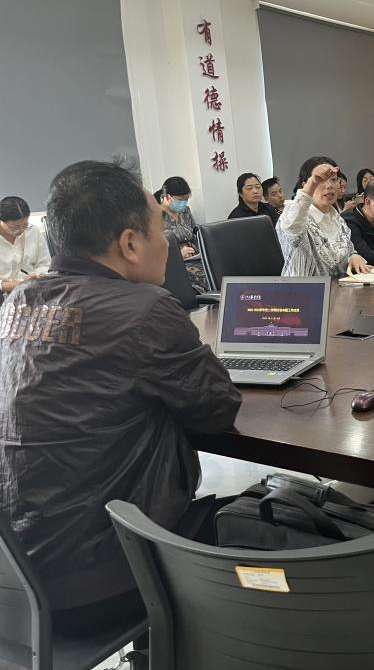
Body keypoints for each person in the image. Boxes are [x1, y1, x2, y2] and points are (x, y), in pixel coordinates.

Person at [0, 159, 242, 635]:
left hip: (17, 587)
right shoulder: (144, 308)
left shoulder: (17, 303)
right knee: (265, 514)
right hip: (105, 581)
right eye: (160, 231)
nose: (167, 244)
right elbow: (217, 410)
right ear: (130, 243)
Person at [278, 156, 372, 277]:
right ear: (306, 185)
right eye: (320, 180)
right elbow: (291, 227)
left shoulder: (337, 219)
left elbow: (348, 250)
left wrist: (353, 256)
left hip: (338, 286)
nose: (329, 186)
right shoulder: (295, 216)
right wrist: (312, 182)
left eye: (333, 180)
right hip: (303, 288)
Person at [156, 176, 208, 293]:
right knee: (200, 279)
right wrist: (178, 254)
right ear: (168, 197)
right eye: (180, 200)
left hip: (195, 258)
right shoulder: (155, 215)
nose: (183, 203)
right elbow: (155, 249)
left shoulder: (185, 211)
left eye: (186, 199)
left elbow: (196, 234)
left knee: (216, 271)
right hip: (174, 263)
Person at [0, 196, 51, 295]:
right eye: (16, 227)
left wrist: (38, 275)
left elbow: (45, 264)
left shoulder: (33, 231)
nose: (21, 230)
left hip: (34, 291)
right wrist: (19, 284)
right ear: (2, 221)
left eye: (25, 224)